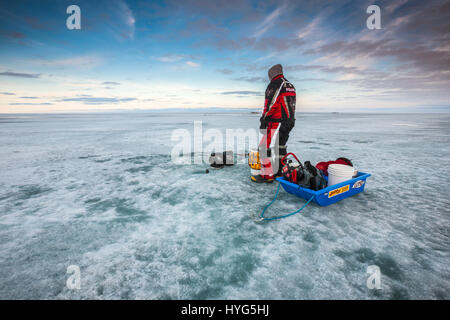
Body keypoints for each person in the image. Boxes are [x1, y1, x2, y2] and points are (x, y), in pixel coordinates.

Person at [251, 64, 296, 183]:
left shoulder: (275, 84)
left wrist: (264, 119)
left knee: (263, 147)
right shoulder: (289, 85)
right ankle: (280, 172)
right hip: (289, 122)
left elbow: (271, 103)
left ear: (272, 74)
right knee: (280, 146)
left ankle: (268, 175)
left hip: (276, 122)